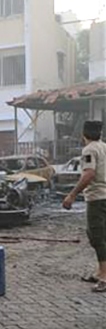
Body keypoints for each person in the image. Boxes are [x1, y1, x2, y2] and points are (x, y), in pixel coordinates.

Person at [63, 120, 106, 293]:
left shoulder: (89, 150)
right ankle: (99, 272)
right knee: (102, 235)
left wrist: (72, 194)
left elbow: (89, 173)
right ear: (100, 134)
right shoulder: (104, 146)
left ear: (84, 135)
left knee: (97, 236)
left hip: (97, 198)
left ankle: (104, 276)